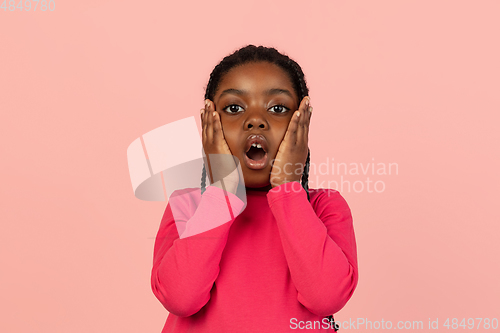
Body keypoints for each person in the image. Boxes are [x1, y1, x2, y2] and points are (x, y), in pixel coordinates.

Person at [151, 45, 358, 332]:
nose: (255, 121)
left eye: (277, 108)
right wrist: (222, 190)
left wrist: (288, 187)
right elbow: (181, 298)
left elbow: (326, 297)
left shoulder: (325, 207)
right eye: (234, 108)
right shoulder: (187, 205)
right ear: (210, 125)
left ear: (302, 124)